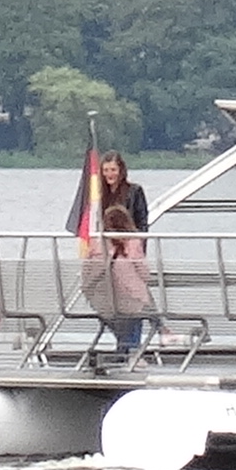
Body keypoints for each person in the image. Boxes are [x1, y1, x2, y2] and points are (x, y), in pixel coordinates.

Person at [91, 151, 154, 356]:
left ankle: (131, 349)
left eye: (113, 170)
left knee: (135, 303)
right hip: (110, 257)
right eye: (106, 170)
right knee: (114, 305)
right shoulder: (101, 195)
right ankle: (124, 345)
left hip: (129, 253)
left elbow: (143, 222)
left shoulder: (134, 191)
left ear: (121, 170)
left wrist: (136, 249)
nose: (110, 174)